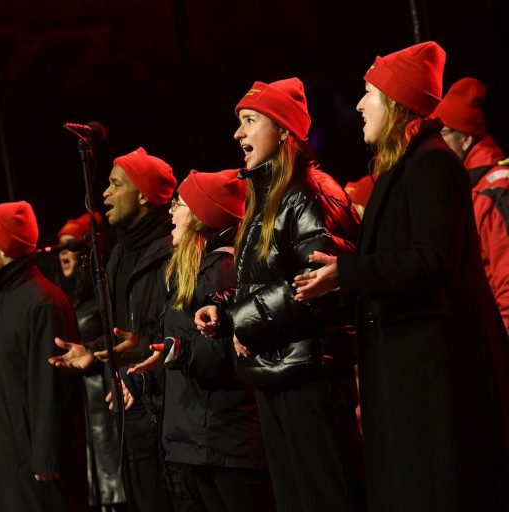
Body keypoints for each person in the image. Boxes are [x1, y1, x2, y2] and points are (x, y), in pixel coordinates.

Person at [293, 42, 509, 510]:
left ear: (394, 102)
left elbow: (433, 259)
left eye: (367, 93)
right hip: (407, 367)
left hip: (428, 374)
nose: (357, 105)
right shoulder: (407, 164)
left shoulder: (431, 163)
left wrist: (347, 273)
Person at [194, 78, 366, 512]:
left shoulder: (310, 192)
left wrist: (241, 320)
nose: (238, 134)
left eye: (250, 121)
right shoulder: (270, 196)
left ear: (285, 132)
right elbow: (269, 282)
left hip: (312, 377)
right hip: (277, 372)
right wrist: (225, 308)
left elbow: (322, 283)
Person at [51, 148, 191, 511]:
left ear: (143, 194)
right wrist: (94, 353)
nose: (104, 195)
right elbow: (123, 335)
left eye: (115, 184)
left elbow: (191, 333)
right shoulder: (118, 257)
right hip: (134, 415)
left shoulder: (173, 250)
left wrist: (143, 348)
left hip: (177, 420)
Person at [130, 169, 276, 511]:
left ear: (200, 216)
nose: (170, 212)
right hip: (200, 439)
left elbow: (227, 349)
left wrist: (176, 353)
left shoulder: (222, 269)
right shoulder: (197, 269)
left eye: (179, 204)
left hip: (227, 441)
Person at [0, 201, 87, 511]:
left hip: (32, 470)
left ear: (5, 247)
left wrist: (47, 456)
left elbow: (51, 383)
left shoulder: (42, 302)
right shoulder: (4, 299)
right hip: (4, 461)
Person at [57, 211, 128, 510]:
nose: (64, 254)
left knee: (112, 479)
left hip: (102, 401)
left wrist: (93, 352)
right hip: (80, 405)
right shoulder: (66, 297)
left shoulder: (103, 295)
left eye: (71, 246)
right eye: (60, 248)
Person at [434, 77, 509, 329]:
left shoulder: (496, 191)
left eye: (442, 134)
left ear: (466, 138)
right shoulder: (471, 188)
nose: (436, 144)